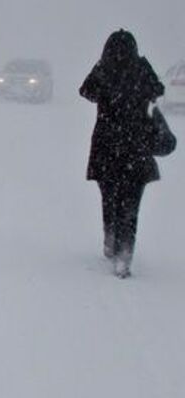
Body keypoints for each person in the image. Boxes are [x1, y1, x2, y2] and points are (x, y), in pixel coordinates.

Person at [80, 29, 165, 278]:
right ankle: (124, 255)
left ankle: (110, 239)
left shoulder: (104, 71)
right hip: (135, 150)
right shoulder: (140, 70)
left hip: (107, 149)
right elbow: (158, 90)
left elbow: (85, 91)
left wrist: (100, 66)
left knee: (110, 199)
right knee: (130, 206)